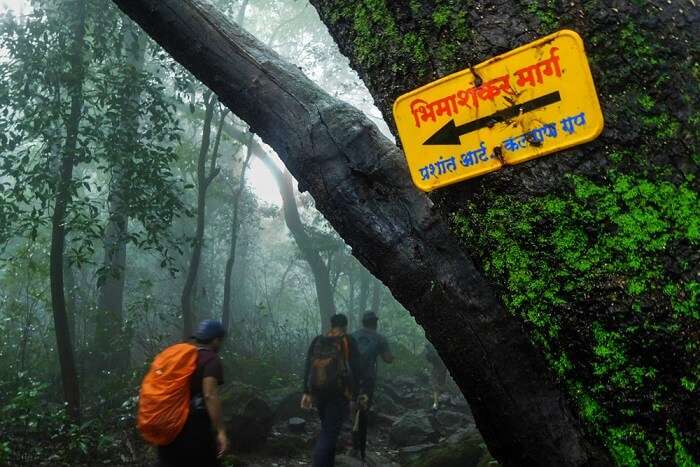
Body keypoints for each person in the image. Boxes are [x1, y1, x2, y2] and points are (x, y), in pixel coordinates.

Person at [157, 319, 229, 467]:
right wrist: (221, 431)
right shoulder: (211, 359)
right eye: (220, 341)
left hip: (168, 425)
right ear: (215, 340)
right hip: (194, 430)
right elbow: (209, 395)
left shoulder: (181, 357)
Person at [301, 313, 364, 467]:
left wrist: (306, 392)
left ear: (331, 325)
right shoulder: (348, 341)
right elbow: (356, 369)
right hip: (338, 394)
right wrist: (356, 395)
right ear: (345, 326)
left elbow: (308, 367)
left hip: (319, 392)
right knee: (329, 433)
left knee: (329, 429)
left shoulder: (319, 340)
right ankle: (319, 462)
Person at [351, 312, 394, 461]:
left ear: (363, 322)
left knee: (354, 406)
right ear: (375, 323)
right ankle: (358, 446)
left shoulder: (353, 336)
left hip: (351, 378)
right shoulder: (380, 338)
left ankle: (353, 440)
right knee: (363, 410)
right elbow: (388, 359)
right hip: (368, 379)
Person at [424, 342, 448, 412]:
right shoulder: (432, 353)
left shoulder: (432, 353)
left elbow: (431, 359)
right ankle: (438, 402)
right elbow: (430, 360)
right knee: (439, 386)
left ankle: (436, 404)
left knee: (436, 387)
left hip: (438, 370)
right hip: (441, 369)